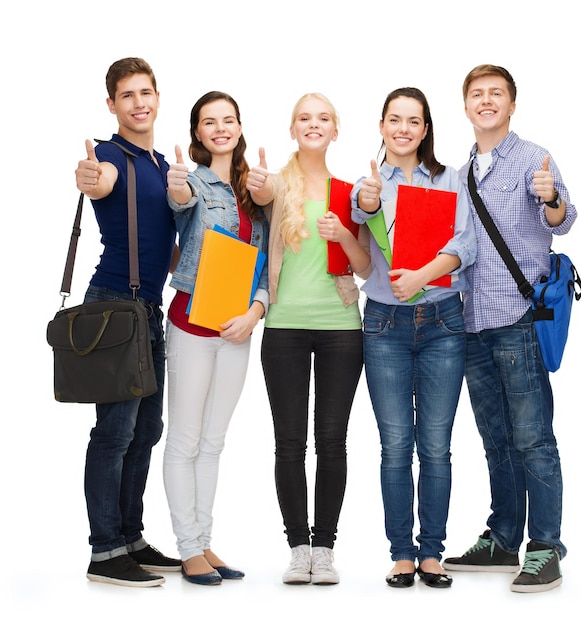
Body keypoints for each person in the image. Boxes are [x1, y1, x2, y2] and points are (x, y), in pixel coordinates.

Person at [442, 65, 577, 593]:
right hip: (471, 320)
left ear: (512, 104)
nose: (486, 101)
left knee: (533, 438)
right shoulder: (462, 171)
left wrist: (550, 197)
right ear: (467, 106)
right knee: (495, 437)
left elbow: (563, 221)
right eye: (477, 94)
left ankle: (545, 547)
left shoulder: (532, 159)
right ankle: (502, 538)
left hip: (518, 318)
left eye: (496, 93)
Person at [351, 87, 476, 589]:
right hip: (384, 324)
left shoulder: (451, 179)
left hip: (444, 322)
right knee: (395, 444)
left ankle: (431, 554)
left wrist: (423, 275)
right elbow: (359, 227)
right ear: (382, 125)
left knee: (437, 446)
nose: (403, 129)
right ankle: (402, 553)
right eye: (394, 119)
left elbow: (464, 243)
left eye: (414, 121)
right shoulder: (369, 184)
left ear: (425, 129)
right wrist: (368, 202)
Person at [246, 93, 370, 585]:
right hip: (284, 328)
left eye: (323, 119)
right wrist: (256, 183)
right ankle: (298, 547)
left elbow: (363, 266)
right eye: (304, 118)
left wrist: (342, 235)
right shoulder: (276, 185)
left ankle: (325, 548)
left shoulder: (348, 191)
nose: (313, 125)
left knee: (332, 441)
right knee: (289, 442)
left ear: (335, 131)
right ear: (293, 129)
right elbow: (257, 193)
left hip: (341, 326)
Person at [74, 57, 180, 587]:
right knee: (114, 431)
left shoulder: (162, 163)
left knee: (146, 429)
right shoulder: (111, 157)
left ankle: (131, 537)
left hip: (148, 309)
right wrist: (90, 178)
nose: (139, 102)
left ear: (158, 98)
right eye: (128, 95)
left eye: (146, 92)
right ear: (112, 105)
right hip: (115, 305)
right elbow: (99, 181)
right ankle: (104, 550)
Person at [163, 91, 269, 586]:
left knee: (214, 441)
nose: (220, 128)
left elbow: (268, 261)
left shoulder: (255, 189)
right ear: (198, 133)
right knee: (184, 439)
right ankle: (187, 548)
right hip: (191, 323)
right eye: (210, 122)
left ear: (240, 126)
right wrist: (180, 187)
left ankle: (205, 543)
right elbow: (179, 205)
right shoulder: (192, 181)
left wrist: (256, 312)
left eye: (228, 120)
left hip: (238, 328)